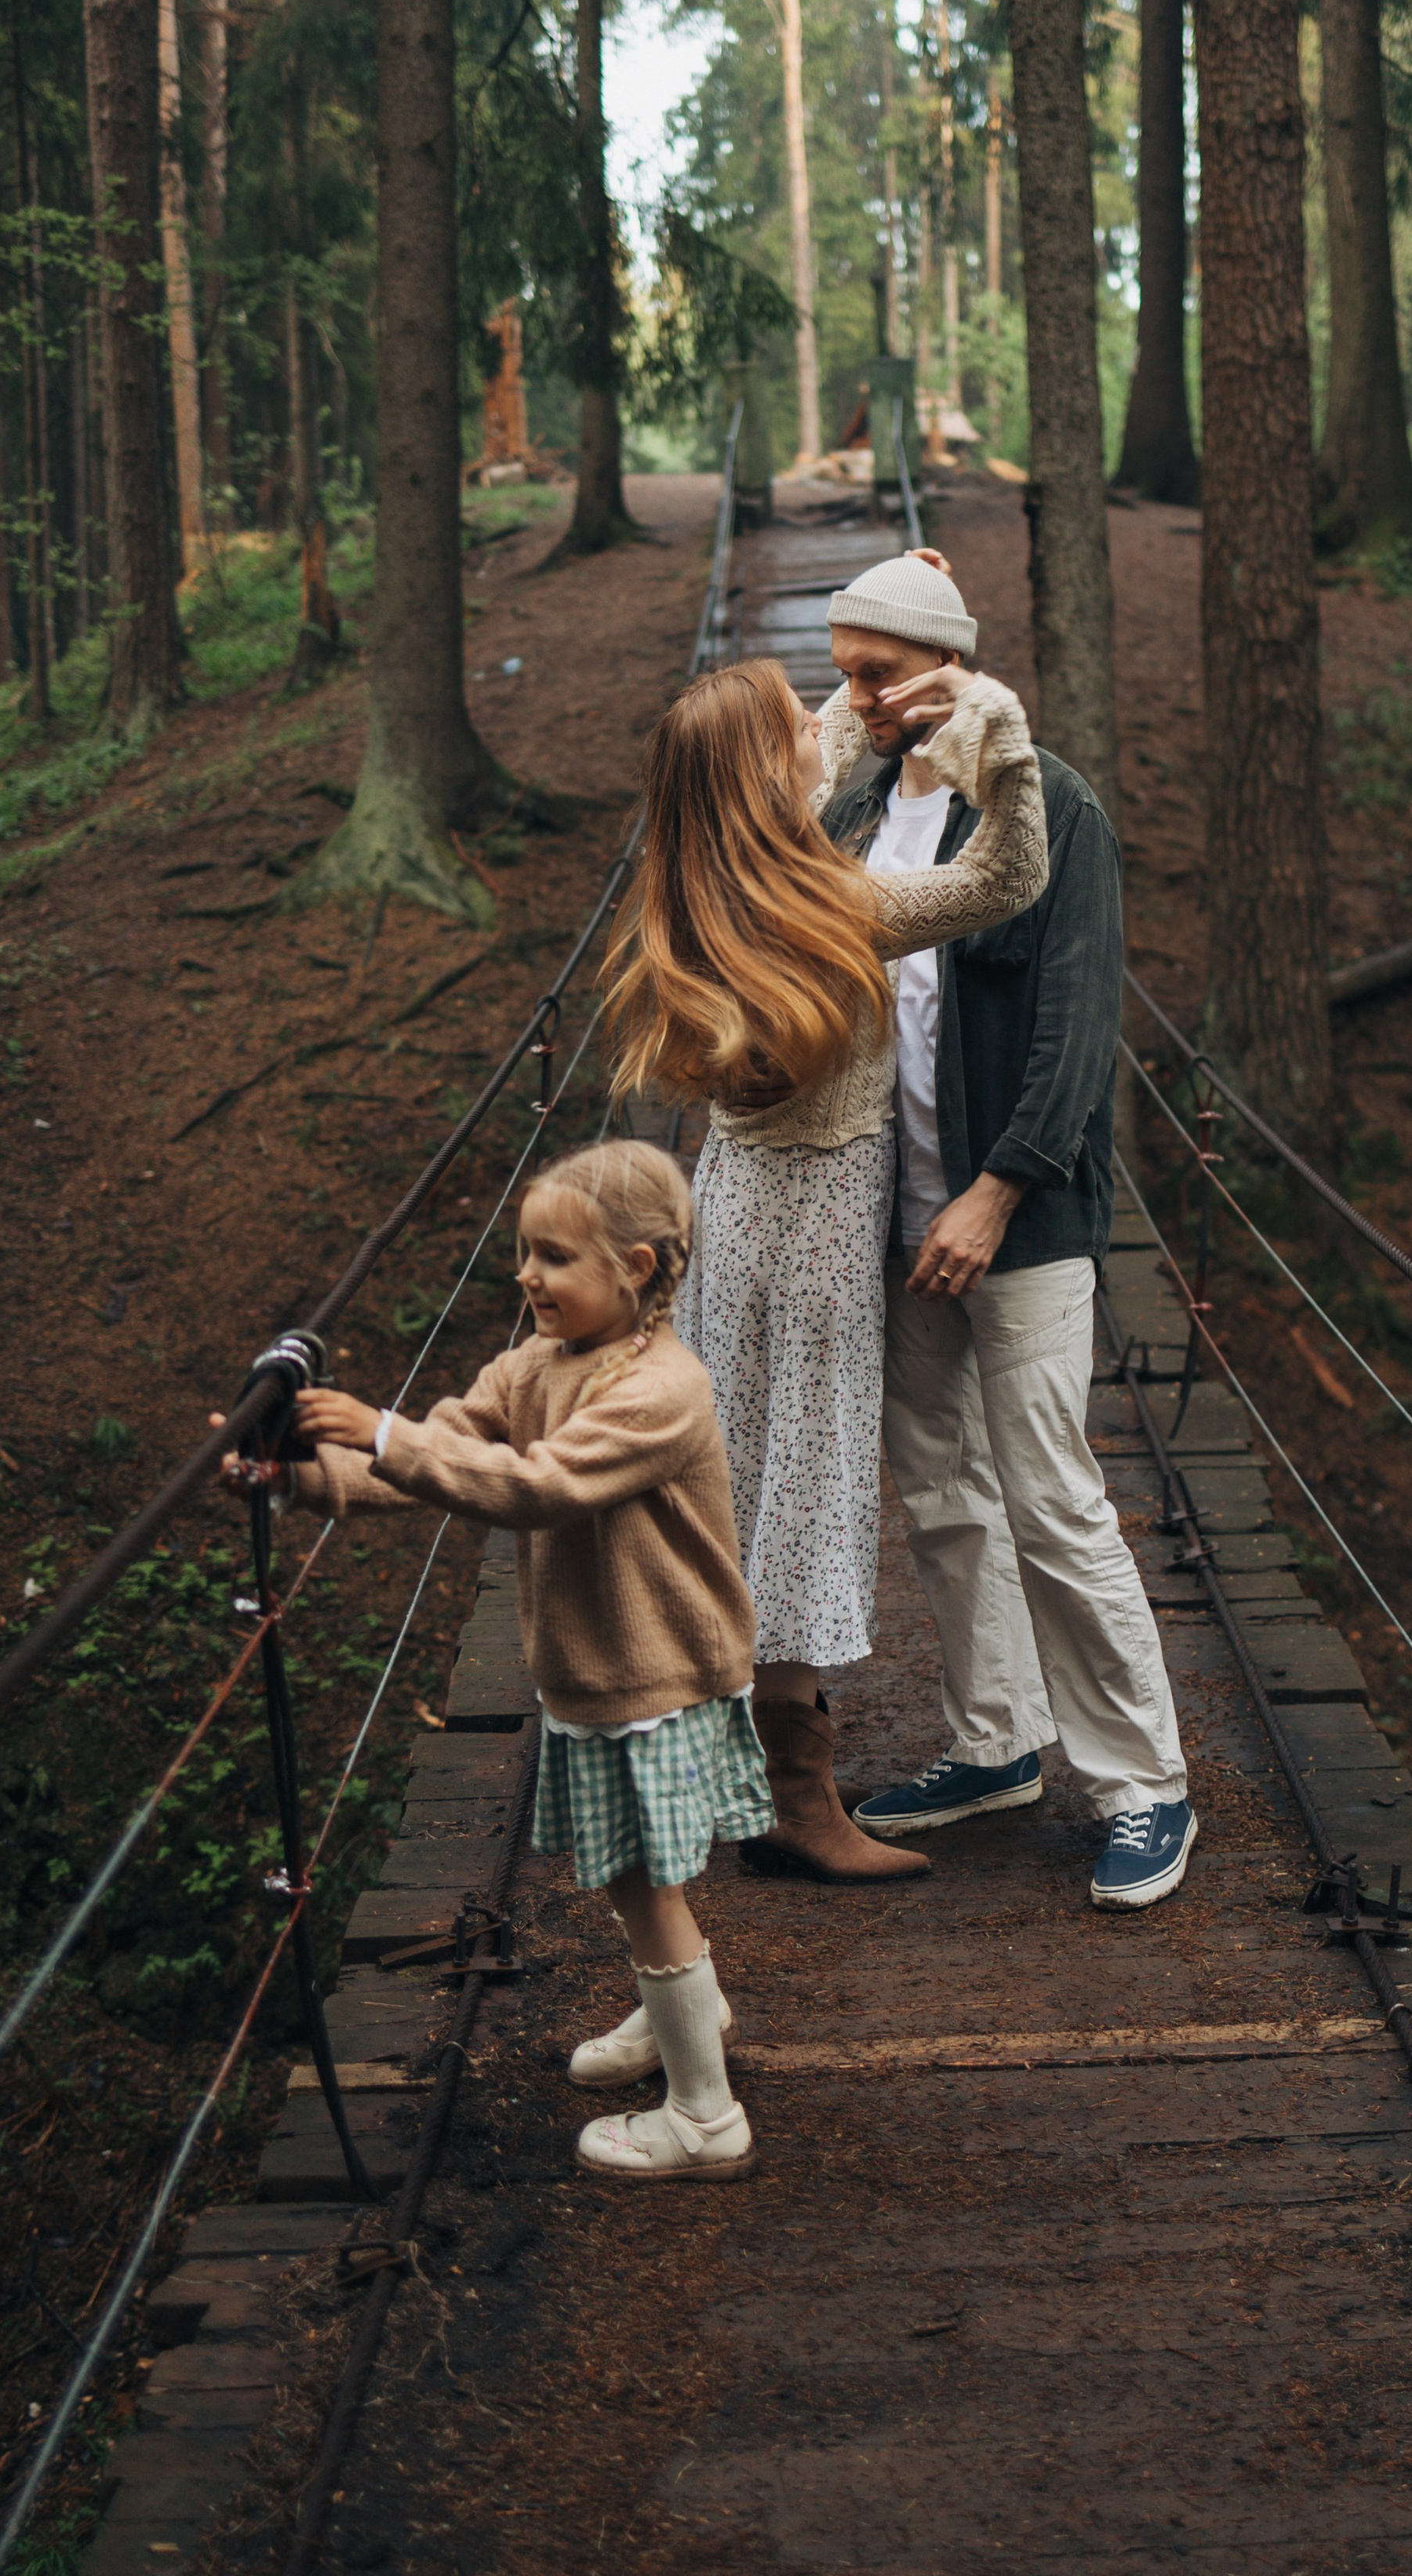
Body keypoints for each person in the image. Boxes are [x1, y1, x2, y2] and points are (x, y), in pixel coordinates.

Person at [220, 1142, 770, 2183]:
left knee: (645, 1881)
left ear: (638, 1269)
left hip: (655, 1677)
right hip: (593, 1673)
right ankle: (681, 2014)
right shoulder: (527, 1368)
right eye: (523, 1253)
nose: (527, 1276)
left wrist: (383, 1431)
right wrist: (296, 1476)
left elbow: (534, 1487)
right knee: (626, 1875)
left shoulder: (664, 1389)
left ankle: (705, 2114)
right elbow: (439, 1461)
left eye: (555, 1257)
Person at [601, 625, 1048, 1885]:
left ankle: (730, 1777)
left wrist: (877, 687)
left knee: (740, 1481)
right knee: (800, 1487)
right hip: (813, 1238)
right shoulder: (836, 904)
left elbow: (801, 753)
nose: (826, 722)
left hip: (735, 1208)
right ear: (765, 778)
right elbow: (1006, 877)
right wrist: (992, 722)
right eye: (802, 723)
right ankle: (797, 1800)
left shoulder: (711, 894)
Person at [814, 555, 1197, 1911]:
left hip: (1015, 1217)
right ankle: (995, 1744)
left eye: (874, 671)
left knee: (1047, 1489)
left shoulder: (1054, 805)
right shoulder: (858, 803)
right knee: (942, 1486)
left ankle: (1145, 1781)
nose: (852, 697)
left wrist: (1001, 1188)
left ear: (944, 667)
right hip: (890, 1205)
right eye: (842, 671)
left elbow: (1079, 1020)